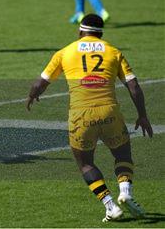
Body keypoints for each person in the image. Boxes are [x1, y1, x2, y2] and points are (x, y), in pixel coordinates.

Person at [26, 14, 153, 222]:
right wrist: (143, 115)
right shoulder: (113, 51)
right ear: (100, 34)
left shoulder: (65, 52)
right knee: (122, 155)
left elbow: (41, 83)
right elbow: (134, 87)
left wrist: (32, 95)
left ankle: (110, 205)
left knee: (85, 163)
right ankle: (125, 191)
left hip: (80, 116)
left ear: (80, 32)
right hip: (110, 112)